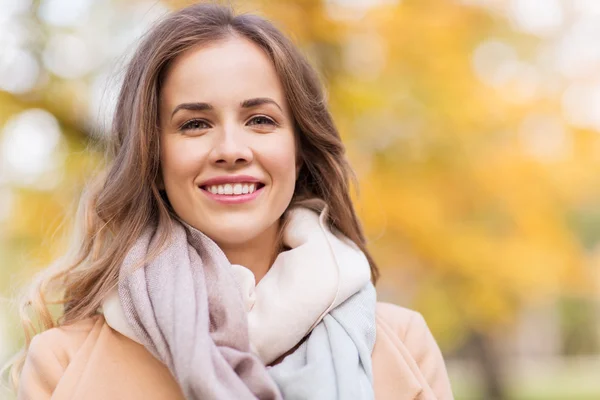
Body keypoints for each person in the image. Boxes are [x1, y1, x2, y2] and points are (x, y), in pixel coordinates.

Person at [5, 3, 453, 399]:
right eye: (195, 124)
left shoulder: (401, 343)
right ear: (153, 156)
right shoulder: (63, 362)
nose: (231, 149)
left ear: (300, 153)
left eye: (260, 119)